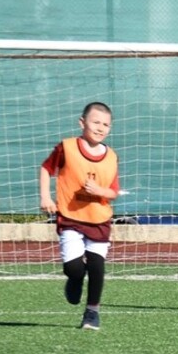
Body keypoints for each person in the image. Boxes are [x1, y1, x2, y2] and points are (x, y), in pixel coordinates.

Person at [40, 102, 119, 331]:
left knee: (97, 265)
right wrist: (46, 197)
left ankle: (92, 313)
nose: (100, 127)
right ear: (82, 122)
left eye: (106, 124)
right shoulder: (66, 148)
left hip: (99, 219)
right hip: (71, 217)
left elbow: (113, 191)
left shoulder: (111, 156)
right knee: (73, 268)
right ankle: (74, 279)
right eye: (96, 122)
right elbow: (46, 169)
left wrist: (100, 191)